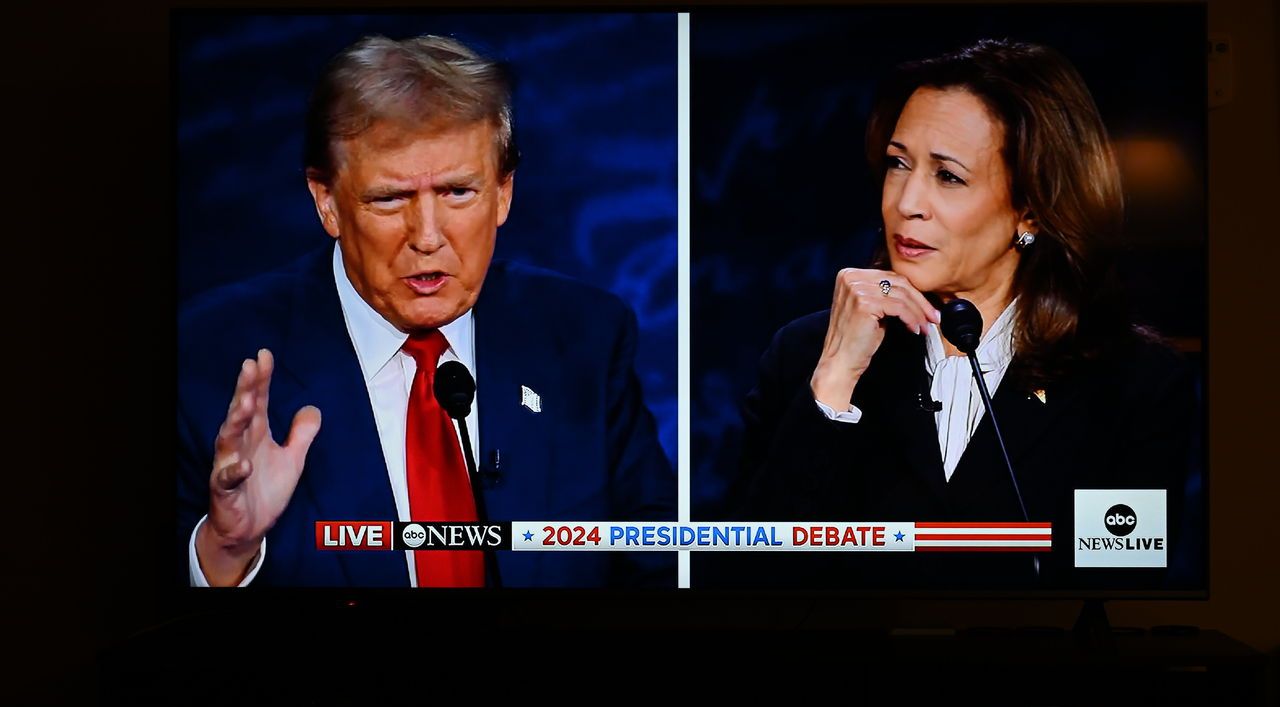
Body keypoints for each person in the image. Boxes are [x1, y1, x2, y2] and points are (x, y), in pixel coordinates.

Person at [177, 34, 676, 588]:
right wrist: (223, 550)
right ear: (327, 201)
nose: (428, 237)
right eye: (390, 199)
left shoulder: (585, 337)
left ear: (504, 193)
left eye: (459, 192)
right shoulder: (206, 356)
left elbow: (655, 563)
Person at [722, 39, 1196, 589]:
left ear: (1032, 209)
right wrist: (833, 386)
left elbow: (1120, 587)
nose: (906, 202)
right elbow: (747, 584)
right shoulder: (804, 356)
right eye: (899, 164)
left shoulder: (1134, 382)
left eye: (948, 176)